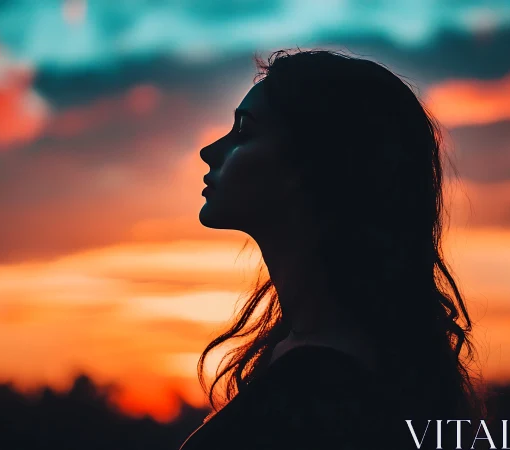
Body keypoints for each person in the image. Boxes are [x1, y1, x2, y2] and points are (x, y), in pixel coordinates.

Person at [181, 49, 483, 450]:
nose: (210, 152)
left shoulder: (323, 396)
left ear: (317, 164)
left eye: (244, 132)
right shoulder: (317, 359)